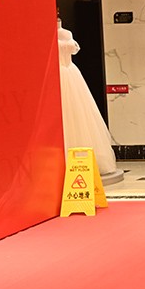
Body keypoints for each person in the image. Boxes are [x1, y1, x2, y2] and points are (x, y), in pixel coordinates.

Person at [57, 19, 123, 185]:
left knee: (78, 114)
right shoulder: (50, 35)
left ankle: (81, 162)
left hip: (70, 74)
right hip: (56, 74)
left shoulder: (66, 33)